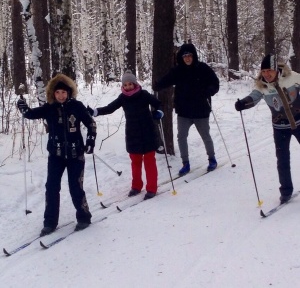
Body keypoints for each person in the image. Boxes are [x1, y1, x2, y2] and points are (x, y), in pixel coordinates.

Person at [17, 73, 97, 236]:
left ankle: (84, 217)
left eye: (64, 92)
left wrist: (90, 140)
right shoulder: (49, 108)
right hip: (56, 155)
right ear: (53, 94)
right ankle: (50, 223)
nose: (61, 96)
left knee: (75, 187)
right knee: (51, 187)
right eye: (58, 93)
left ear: (69, 93)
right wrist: (23, 108)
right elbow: (32, 114)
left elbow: (91, 124)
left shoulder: (77, 106)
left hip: (76, 154)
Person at [235, 53, 300, 204]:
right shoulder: (262, 86)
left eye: (269, 70)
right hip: (279, 128)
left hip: (299, 123)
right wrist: (243, 103)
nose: (266, 74)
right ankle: (286, 192)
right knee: (282, 160)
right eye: (263, 71)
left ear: (276, 69)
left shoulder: (293, 77)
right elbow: (253, 97)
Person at [88, 70, 163, 200]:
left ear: (135, 83)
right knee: (135, 161)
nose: (128, 87)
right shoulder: (123, 98)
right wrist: (96, 111)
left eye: (130, 84)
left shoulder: (144, 94)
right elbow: (110, 108)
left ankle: (152, 188)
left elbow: (157, 104)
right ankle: (136, 186)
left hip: (148, 131)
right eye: (125, 85)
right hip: (132, 133)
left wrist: (159, 112)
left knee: (149, 161)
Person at [153, 43, 219, 176]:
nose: (187, 58)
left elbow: (215, 83)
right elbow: (167, 80)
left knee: (205, 136)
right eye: (185, 56)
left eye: (189, 55)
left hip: (201, 110)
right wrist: (158, 85)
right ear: (181, 58)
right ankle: (185, 163)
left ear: (193, 56)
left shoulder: (203, 68)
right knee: (181, 137)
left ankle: (212, 159)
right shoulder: (178, 71)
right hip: (184, 111)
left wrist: (210, 91)